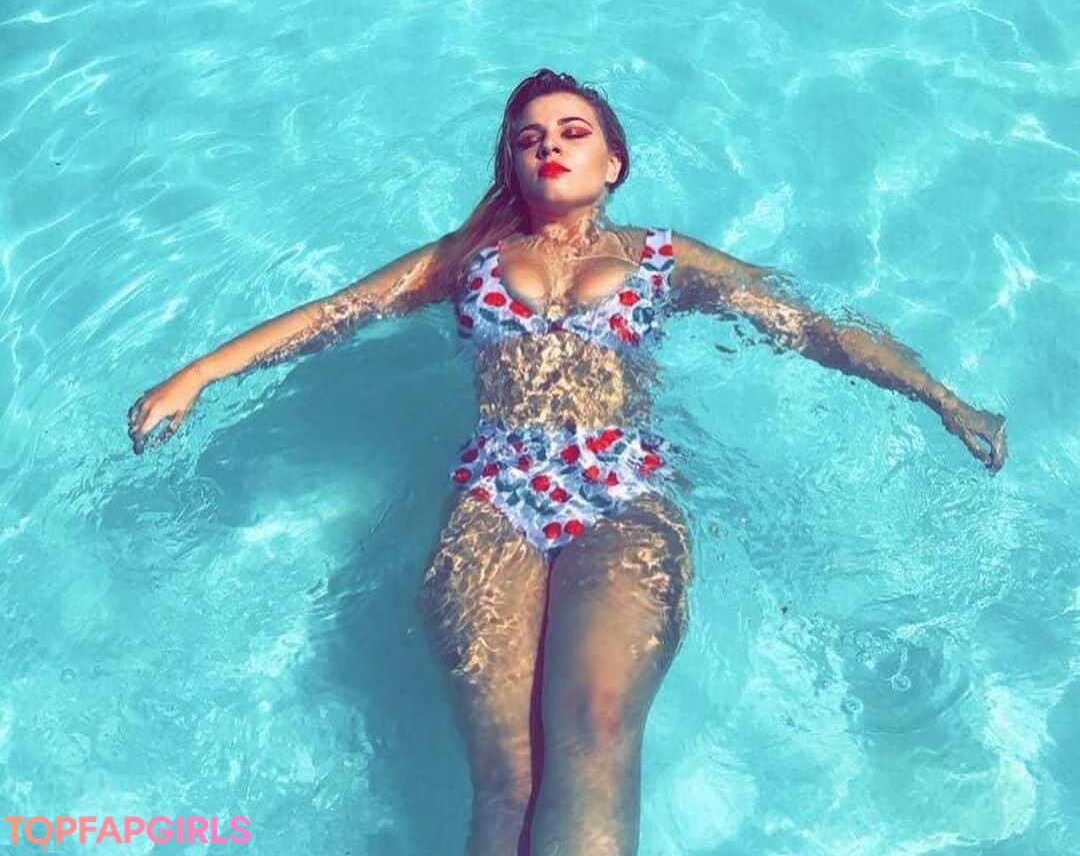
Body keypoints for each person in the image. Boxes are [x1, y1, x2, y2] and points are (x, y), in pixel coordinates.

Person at [126, 68, 1008, 855]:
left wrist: (937, 394)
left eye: (572, 131)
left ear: (613, 162)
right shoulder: (466, 258)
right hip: (493, 498)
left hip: (624, 490)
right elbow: (336, 311)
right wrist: (199, 374)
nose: (549, 145)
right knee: (506, 775)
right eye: (529, 138)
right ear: (512, 166)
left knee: (597, 730)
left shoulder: (662, 257)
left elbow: (811, 323)